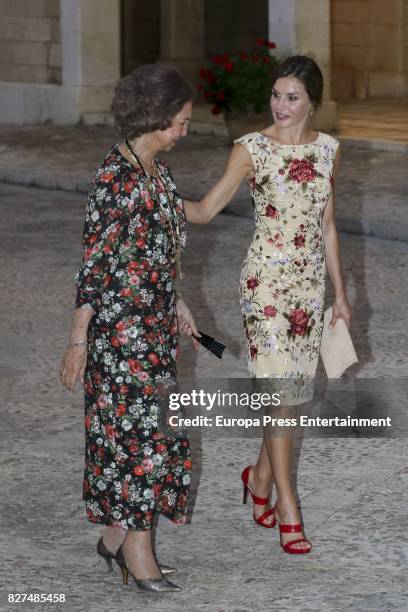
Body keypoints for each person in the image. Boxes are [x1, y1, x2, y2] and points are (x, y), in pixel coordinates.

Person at [184, 55, 352, 554]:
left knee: (292, 398)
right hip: (265, 288)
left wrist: (340, 295)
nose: (281, 105)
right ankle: (287, 506)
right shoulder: (251, 149)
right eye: (276, 95)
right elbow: (208, 209)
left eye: (292, 97)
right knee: (282, 394)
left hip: (307, 289)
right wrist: (155, 193)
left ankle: (258, 478)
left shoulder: (329, 152)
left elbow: (327, 226)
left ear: (312, 104)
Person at [60, 64, 199, 591]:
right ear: (159, 120)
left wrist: (177, 300)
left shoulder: (156, 171)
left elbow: (154, 248)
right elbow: (94, 266)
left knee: (153, 434)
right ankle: (138, 551)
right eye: (182, 121)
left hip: (154, 328)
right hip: (122, 336)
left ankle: (115, 539)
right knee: (139, 439)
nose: (186, 129)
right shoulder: (115, 178)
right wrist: (78, 340)